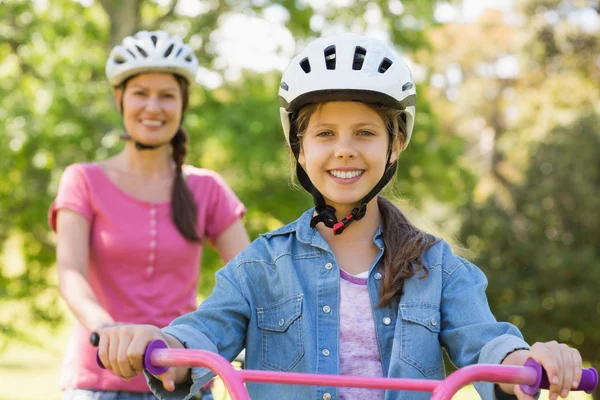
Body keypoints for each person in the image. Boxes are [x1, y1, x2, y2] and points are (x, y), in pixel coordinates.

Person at [95, 34, 583, 400]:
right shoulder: (259, 267)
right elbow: (203, 334)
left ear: (396, 144)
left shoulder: (437, 268)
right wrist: (157, 344)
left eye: (365, 132)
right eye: (325, 134)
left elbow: (486, 343)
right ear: (299, 151)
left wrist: (530, 360)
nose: (344, 151)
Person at [50, 30, 250, 400]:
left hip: (181, 379)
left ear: (183, 104)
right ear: (120, 99)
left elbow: (251, 279)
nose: (153, 106)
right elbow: (70, 272)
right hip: (98, 380)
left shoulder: (207, 188)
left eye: (167, 95)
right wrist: (106, 329)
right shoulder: (83, 180)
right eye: (141, 93)